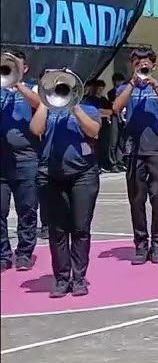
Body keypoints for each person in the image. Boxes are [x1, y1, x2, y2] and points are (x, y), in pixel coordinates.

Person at [30, 83, 102, 298]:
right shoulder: (46, 110)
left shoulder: (88, 109)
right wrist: (45, 101)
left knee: (80, 228)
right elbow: (36, 130)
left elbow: (94, 131)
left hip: (83, 174)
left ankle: (79, 278)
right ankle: (62, 278)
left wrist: (74, 107)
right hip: (50, 174)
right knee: (57, 230)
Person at [112, 48, 158, 265]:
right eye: (138, 62)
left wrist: (155, 85)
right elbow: (116, 108)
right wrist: (132, 83)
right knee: (136, 199)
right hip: (134, 150)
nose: (142, 65)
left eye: (146, 62)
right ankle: (140, 244)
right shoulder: (125, 88)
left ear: (153, 65)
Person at [1, 50, 41, 272]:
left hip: (27, 158)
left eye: (15, 64)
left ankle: (25, 253)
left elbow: (40, 104)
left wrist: (18, 85)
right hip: (2, 158)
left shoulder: (33, 87)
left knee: (27, 208)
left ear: (25, 68)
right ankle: (2, 255)